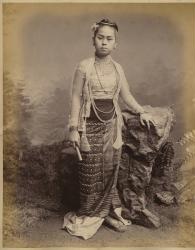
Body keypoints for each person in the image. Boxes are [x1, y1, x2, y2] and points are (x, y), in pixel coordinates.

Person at [62, 18, 155, 240]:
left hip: (112, 127)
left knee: (110, 171)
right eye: (100, 37)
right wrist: (74, 128)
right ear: (93, 40)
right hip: (89, 126)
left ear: (116, 44)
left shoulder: (117, 68)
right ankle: (90, 214)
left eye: (109, 39)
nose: (104, 42)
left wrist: (141, 111)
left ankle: (108, 213)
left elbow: (126, 96)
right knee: (90, 173)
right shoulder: (84, 66)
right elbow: (75, 97)